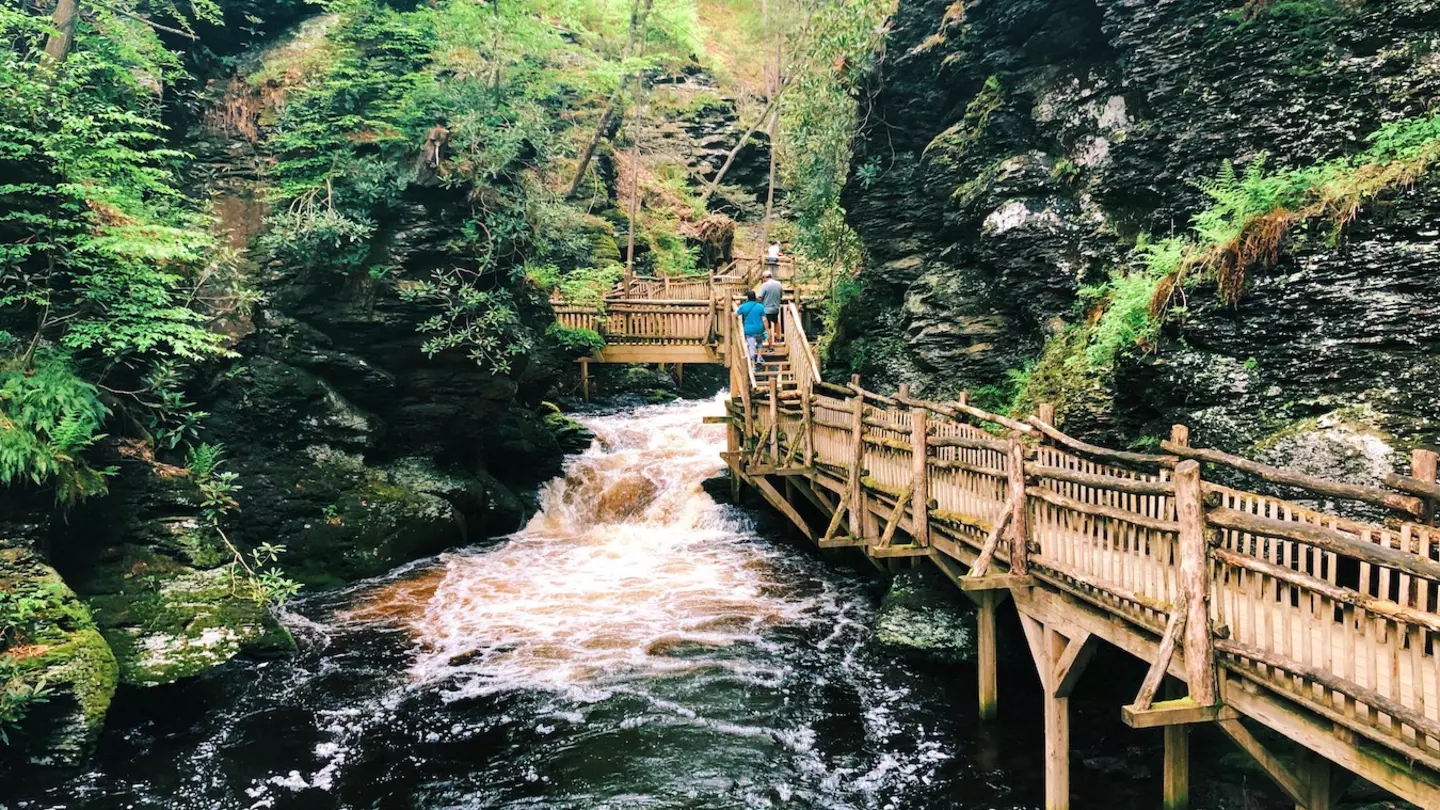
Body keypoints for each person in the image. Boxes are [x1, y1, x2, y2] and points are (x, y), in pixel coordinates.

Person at [737, 290, 767, 368]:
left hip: (749, 330)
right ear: (755, 297)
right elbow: (764, 319)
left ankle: (753, 365)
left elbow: (735, 314)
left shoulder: (743, 306)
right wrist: (766, 329)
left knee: (751, 346)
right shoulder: (760, 306)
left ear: (747, 298)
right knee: (759, 342)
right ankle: (759, 357)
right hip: (759, 329)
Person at [757, 269, 784, 348]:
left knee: (767, 327)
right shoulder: (778, 284)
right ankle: (778, 338)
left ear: (765, 277)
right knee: (776, 322)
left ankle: (770, 345)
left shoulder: (764, 285)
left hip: (767, 309)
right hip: (776, 307)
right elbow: (781, 295)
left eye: (763, 278)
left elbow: (760, 297)